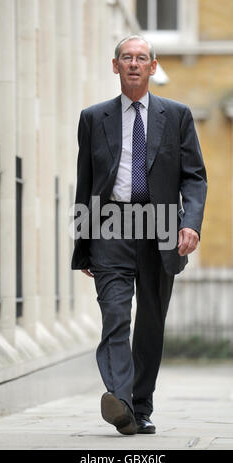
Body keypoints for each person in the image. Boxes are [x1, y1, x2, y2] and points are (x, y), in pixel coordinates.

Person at [71, 35, 207, 435]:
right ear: (115, 67)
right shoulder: (94, 118)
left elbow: (194, 177)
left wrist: (190, 224)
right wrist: (83, 245)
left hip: (161, 223)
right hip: (110, 225)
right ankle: (122, 402)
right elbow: (86, 183)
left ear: (152, 67)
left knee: (150, 321)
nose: (133, 64)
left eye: (141, 58)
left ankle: (140, 406)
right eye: (126, 58)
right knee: (115, 316)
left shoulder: (177, 115)